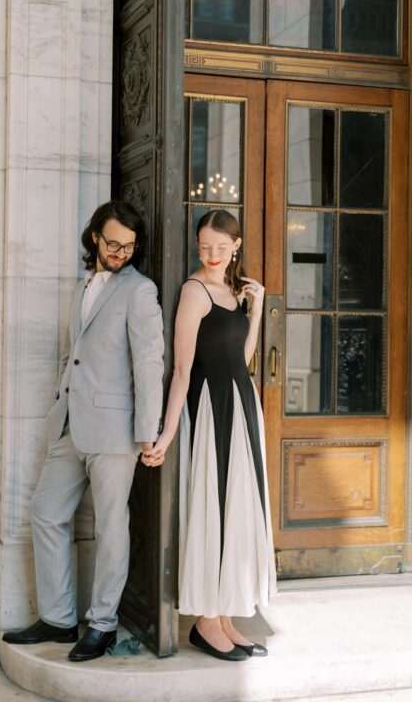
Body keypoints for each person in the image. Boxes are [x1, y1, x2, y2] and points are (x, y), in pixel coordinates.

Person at [2, 201, 164, 662]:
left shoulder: (140, 291)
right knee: (46, 512)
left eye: (129, 246)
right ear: (94, 236)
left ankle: (103, 624)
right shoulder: (81, 289)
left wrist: (148, 432)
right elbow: (72, 354)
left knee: (112, 527)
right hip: (69, 423)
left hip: (117, 431)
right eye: (113, 243)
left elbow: (149, 362)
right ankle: (57, 619)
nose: (121, 252)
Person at [144, 209, 275, 661]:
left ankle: (224, 618)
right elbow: (181, 369)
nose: (213, 255)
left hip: (241, 404)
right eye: (205, 247)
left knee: (237, 507)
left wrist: (256, 311)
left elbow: (243, 357)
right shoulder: (194, 291)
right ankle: (204, 621)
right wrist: (166, 433)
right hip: (209, 406)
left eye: (221, 247)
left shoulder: (234, 291)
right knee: (213, 505)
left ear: (236, 246)